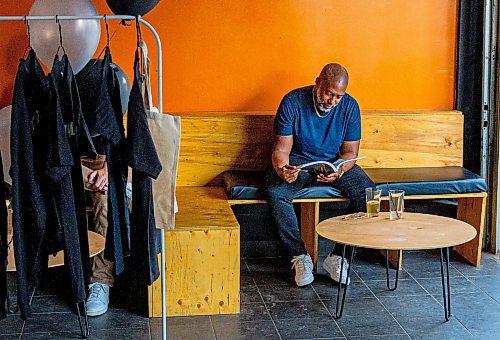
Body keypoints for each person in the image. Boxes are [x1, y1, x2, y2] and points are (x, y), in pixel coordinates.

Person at [264, 63, 375, 287]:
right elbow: (281, 149)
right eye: (329, 93)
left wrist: (339, 170)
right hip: (298, 162)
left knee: (368, 193)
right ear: (318, 83)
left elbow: (350, 153)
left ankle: (338, 257)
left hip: (334, 163)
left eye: (338, 96)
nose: (333, 101)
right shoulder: (292, 101)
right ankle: (299, 256)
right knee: (276, 192)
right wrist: (283, 169)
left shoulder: (350, 107)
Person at [81, 155, 113, 316]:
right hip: (63, 154)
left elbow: (127, 133)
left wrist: (108, 169)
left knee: (105, 201)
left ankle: (101, 279)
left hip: (103, 157)